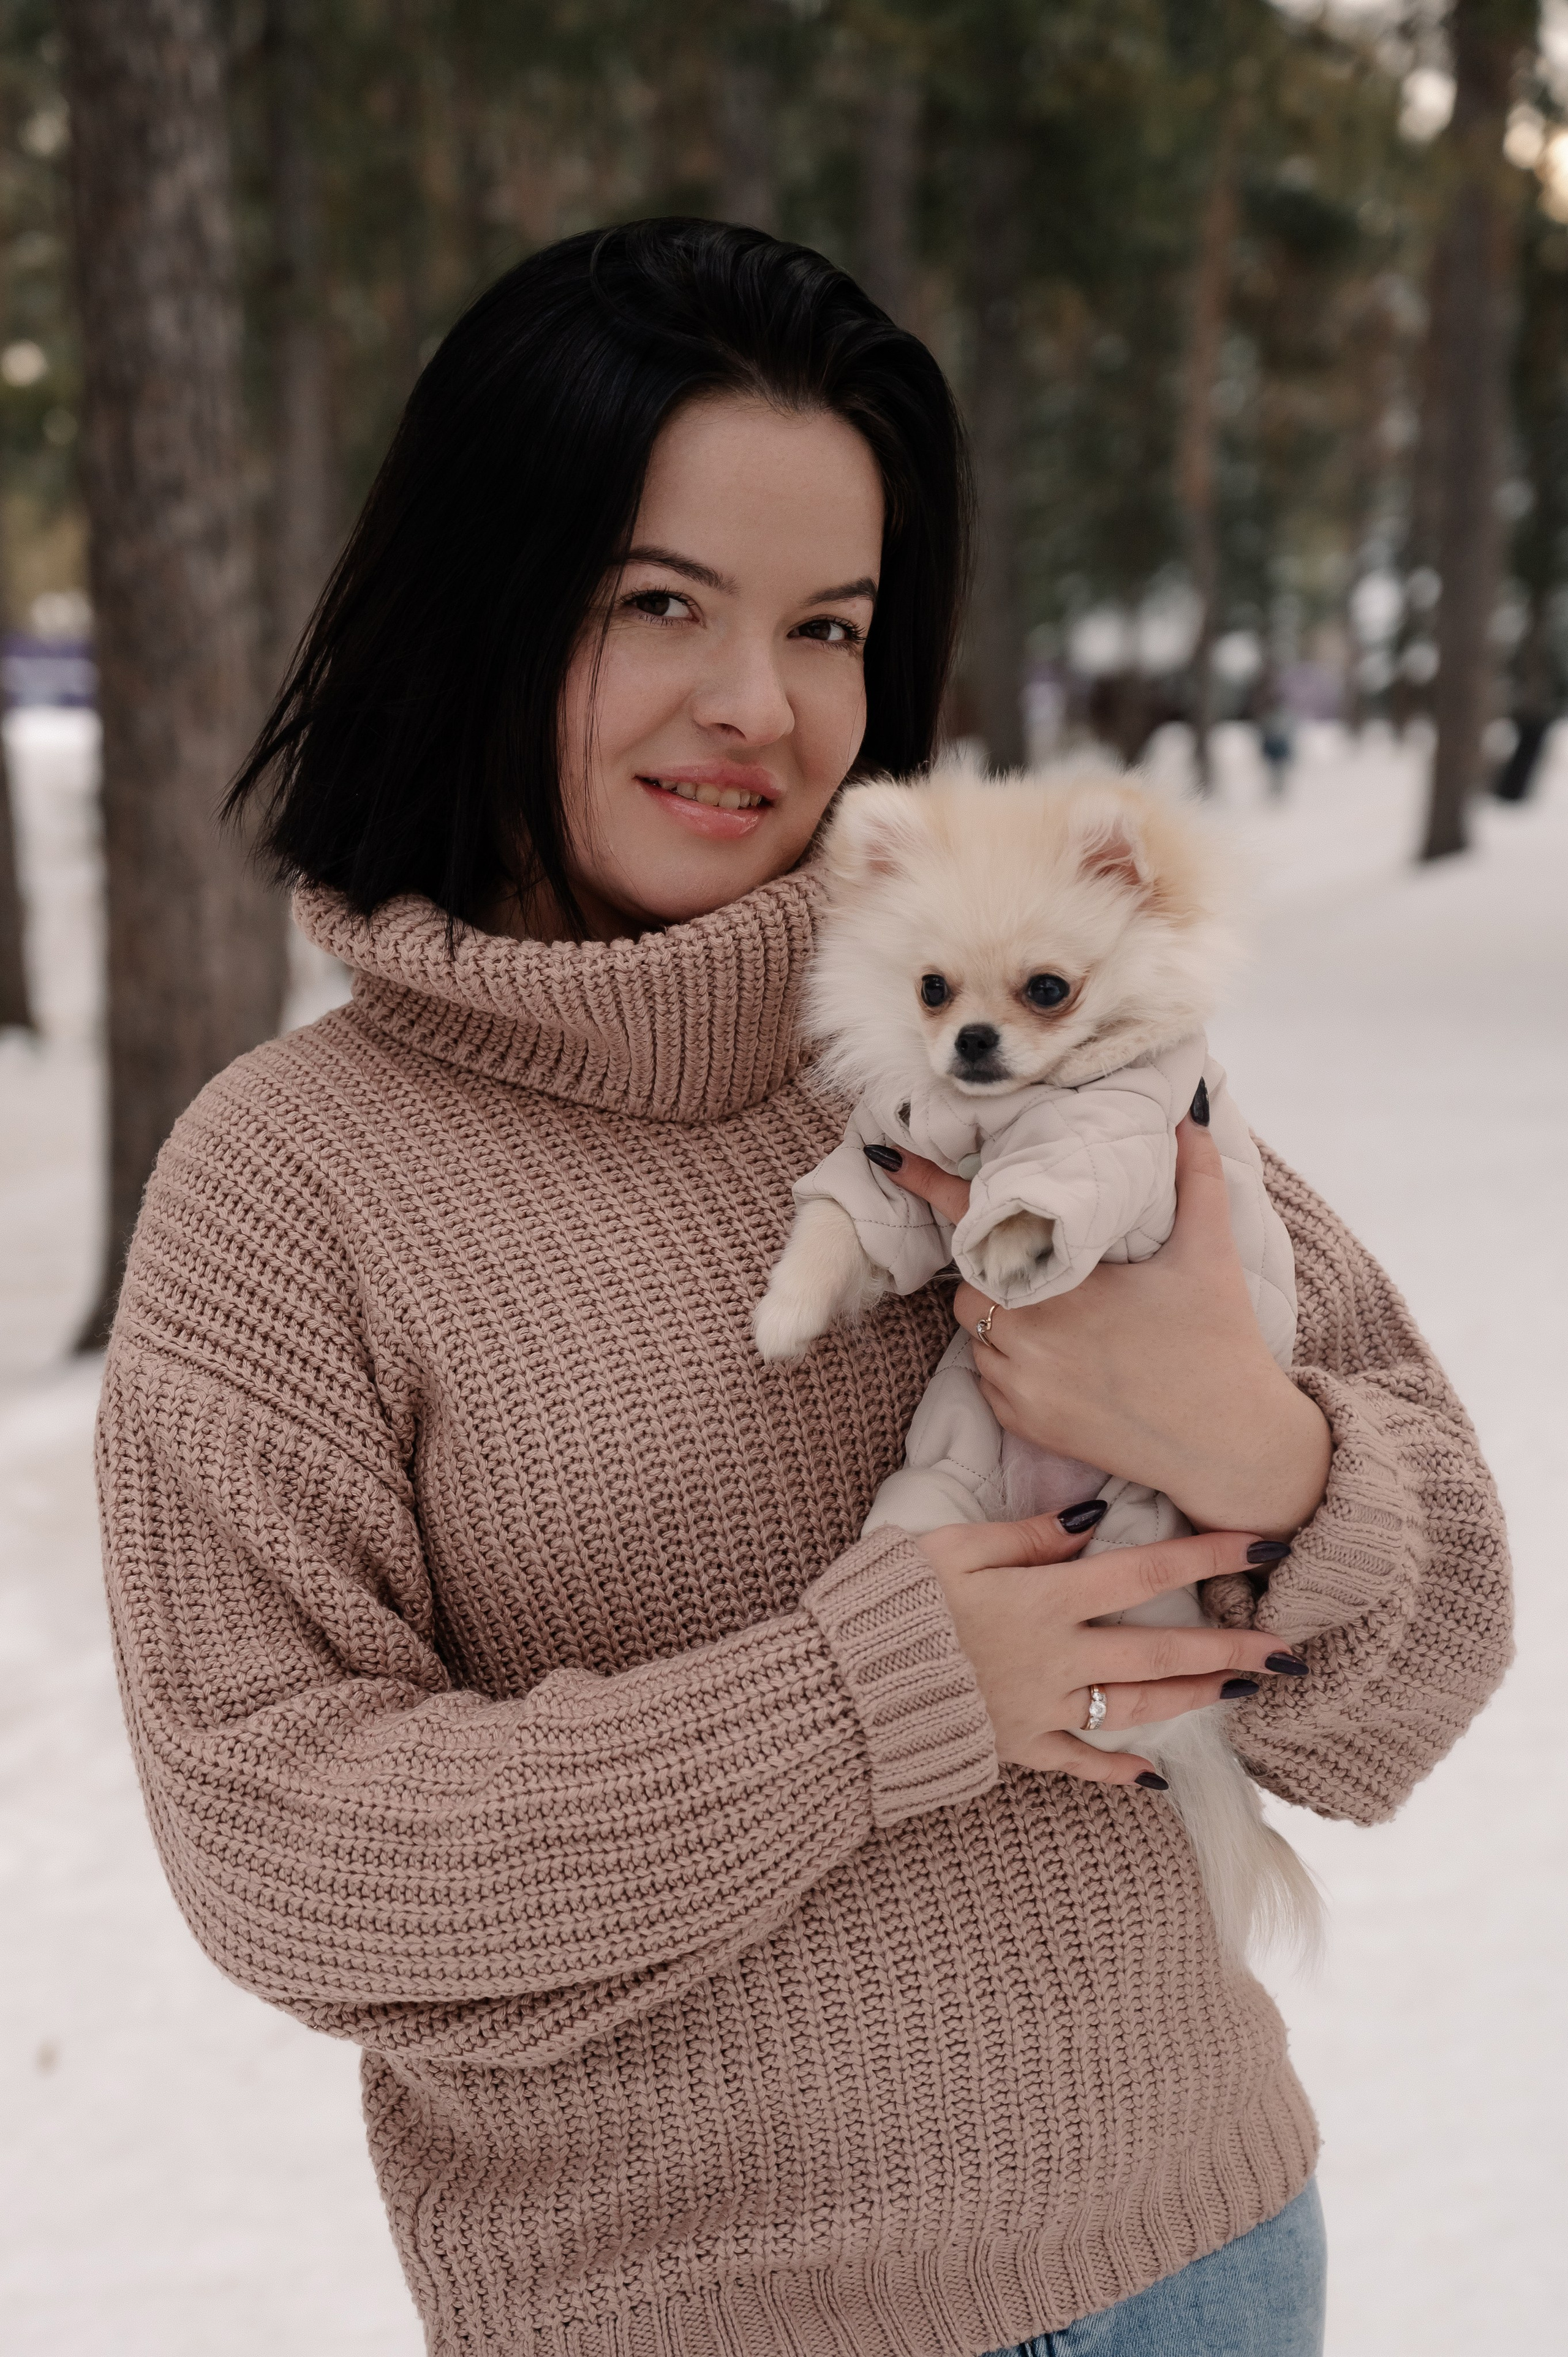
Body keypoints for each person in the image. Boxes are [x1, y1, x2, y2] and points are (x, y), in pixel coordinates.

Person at [97, 220, 1510, 2357]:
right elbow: (290, 1853)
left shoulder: (1027, 1047)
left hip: (1200, 2266)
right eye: (655, 603)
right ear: (480, 596)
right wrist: (875, 1697)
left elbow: (1445, 1645)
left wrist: (1270, 1458)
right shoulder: (290, 1189)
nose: (758, 708)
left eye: (828, 625)